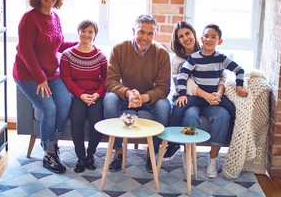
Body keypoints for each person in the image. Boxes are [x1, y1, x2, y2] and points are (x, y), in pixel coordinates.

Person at [13, 0, 77, 173]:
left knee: (65, 103)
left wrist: (82, 43)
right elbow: (26, 51)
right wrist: (40, 78)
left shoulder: (55, 17)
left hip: (51, 72)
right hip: (29, 74)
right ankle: (48, 155)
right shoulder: (29, 18)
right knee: (49, 109)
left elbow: (59, 45)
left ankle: (52, 144)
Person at [168, 22, 247, 178]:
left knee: (229, 112)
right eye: (181, 36)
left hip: (213, 96)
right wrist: (185, 94)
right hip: (194, 97)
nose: (185, 38)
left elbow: (227, 73)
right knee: (183, 110)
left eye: (188, 34)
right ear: (202, 38)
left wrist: (233, 88)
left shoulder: (219, 57)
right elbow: (184, 79)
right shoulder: (188, 59)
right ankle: (174, 145)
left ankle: (219, 155)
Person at [103, 14, 171, 173]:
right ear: (134, 30)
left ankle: (151, 153)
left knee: (164, 106)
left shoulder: (161, 53)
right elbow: (111, 81)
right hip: (124, 97)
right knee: (109, 100)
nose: (145, 37)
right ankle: (118, 152)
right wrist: (128, 94)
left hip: (148, 98)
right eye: (141, 32)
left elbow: (163, 87)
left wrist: (144, 98)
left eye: (150, 33)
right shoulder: (119, 48)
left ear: (154, 34)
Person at [60, 19, 107, 173]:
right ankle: (80, 157)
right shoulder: (67, 55)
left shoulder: (101, 57)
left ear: (95, 35)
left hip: (95, 96)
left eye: (90, 32)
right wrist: (80, 95)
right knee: (77, 119)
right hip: (77, 95)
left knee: (97, 121)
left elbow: (106, 80)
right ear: (78, 32)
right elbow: (66, 79)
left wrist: (97, 94)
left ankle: (90, 155)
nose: (86, 34)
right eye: (84, 31)